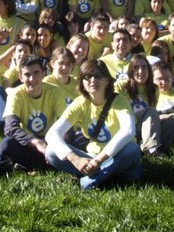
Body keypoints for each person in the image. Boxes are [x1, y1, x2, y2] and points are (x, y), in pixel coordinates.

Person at [45, 59, 142, 190]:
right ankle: (103, 177)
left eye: (98, 76)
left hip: (117, 156)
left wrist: (98, 161)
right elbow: (52, 134)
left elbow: (129, 131)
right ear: (82, 81)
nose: (92, 80)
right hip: (91, 158)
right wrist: (76, 159)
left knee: (132, 148)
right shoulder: (80, 103)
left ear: (107, 80)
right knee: (51, 151)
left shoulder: (120, 101)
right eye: (87, 76)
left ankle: (87, 181)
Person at [0, 55, 66, 172]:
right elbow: (10, 128)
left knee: (79, 139)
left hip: (50, 140)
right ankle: (48, 163)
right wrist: (36, 142)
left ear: (43, 73)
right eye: (27, 75)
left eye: (36, 73)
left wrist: (56, 144)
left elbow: (65, 124)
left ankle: (31, 164)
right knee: (6, 145)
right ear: (20, 77)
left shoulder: (56, 92)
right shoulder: (16, 94)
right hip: (28, 142)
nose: (32, 79)